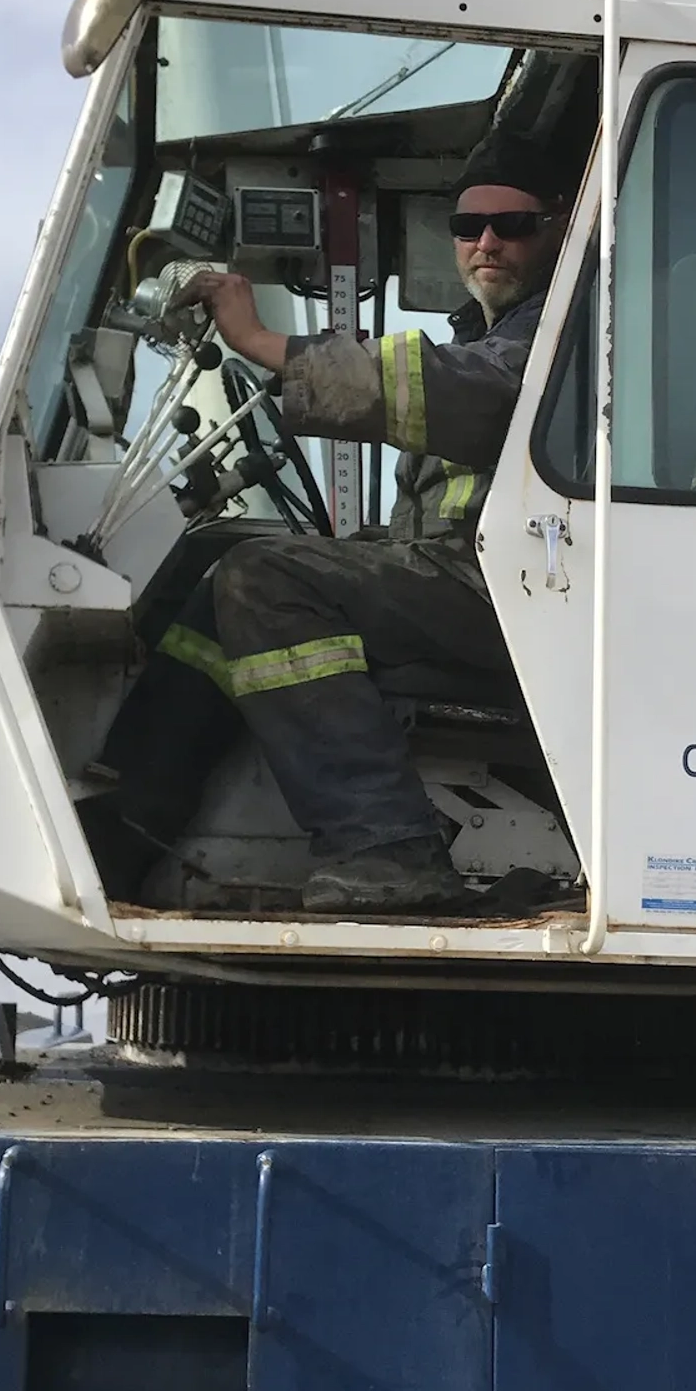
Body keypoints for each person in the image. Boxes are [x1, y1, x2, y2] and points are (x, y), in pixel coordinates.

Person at [89, 132, 570, 915]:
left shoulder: (563, 332)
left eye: (512, 226)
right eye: (468, 226)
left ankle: (386, 849)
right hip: (476, 586)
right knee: (223, 567)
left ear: (553, 232)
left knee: (266, 581)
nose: (487, 243)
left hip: (528, 596)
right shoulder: (485, 336)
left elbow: (465, 394)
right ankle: (130, 825)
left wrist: (260, 341)